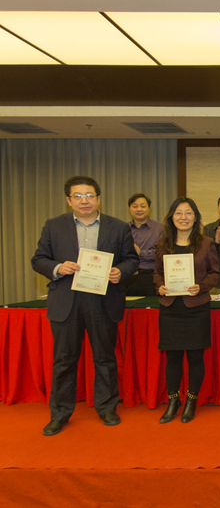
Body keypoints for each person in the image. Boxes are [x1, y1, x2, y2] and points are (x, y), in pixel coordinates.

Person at [31, 175, 139, 436]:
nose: (84, 201)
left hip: (103, 300)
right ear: (69, 200)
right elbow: (39, 259)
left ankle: (107, 408)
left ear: (98, 199)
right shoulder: (54, 226)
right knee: (64, 360)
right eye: (78, 196)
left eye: (89, 195)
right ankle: (59, 414)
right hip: (66, 301)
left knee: (105, 357)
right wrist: (58, 267)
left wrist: (120, 271)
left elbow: (132, 260)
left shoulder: (118, 227)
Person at [154, 197, 219, 423]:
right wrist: (159, 286)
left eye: (188, 213)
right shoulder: (163, 243)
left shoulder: (206, 243)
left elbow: (214, 273)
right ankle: (173, 400)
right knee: (172, 358)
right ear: (171, 217)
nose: (183, 217)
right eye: (179, 213)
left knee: (195, 356)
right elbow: (157, 272)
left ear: (195, 217)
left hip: (196, 308)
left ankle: (191, 400)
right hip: (170, 308)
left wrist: (201, 287)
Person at [124, 193, 163, 296]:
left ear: (149, 208)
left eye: (143, 206)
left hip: (150, 276)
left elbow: (164, 253)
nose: (139, 209)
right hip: (127, 276)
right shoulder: (123, 228)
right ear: (129, 209)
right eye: (135, 206)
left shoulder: (160, 228)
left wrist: (141, 253)